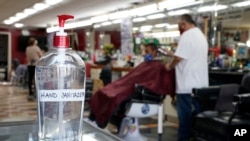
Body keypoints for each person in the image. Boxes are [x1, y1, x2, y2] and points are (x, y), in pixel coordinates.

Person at [165, 14, 209, 141]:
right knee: (197, 119)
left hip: (187, 85)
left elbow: (179, 58)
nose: (180, 28)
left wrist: (170, 65)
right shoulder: (201, 36)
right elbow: (188, 55)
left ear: (183, 24)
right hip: (200, 86)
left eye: (180, 25)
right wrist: (173, 54)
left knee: (184, 119)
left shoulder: (186, 35)